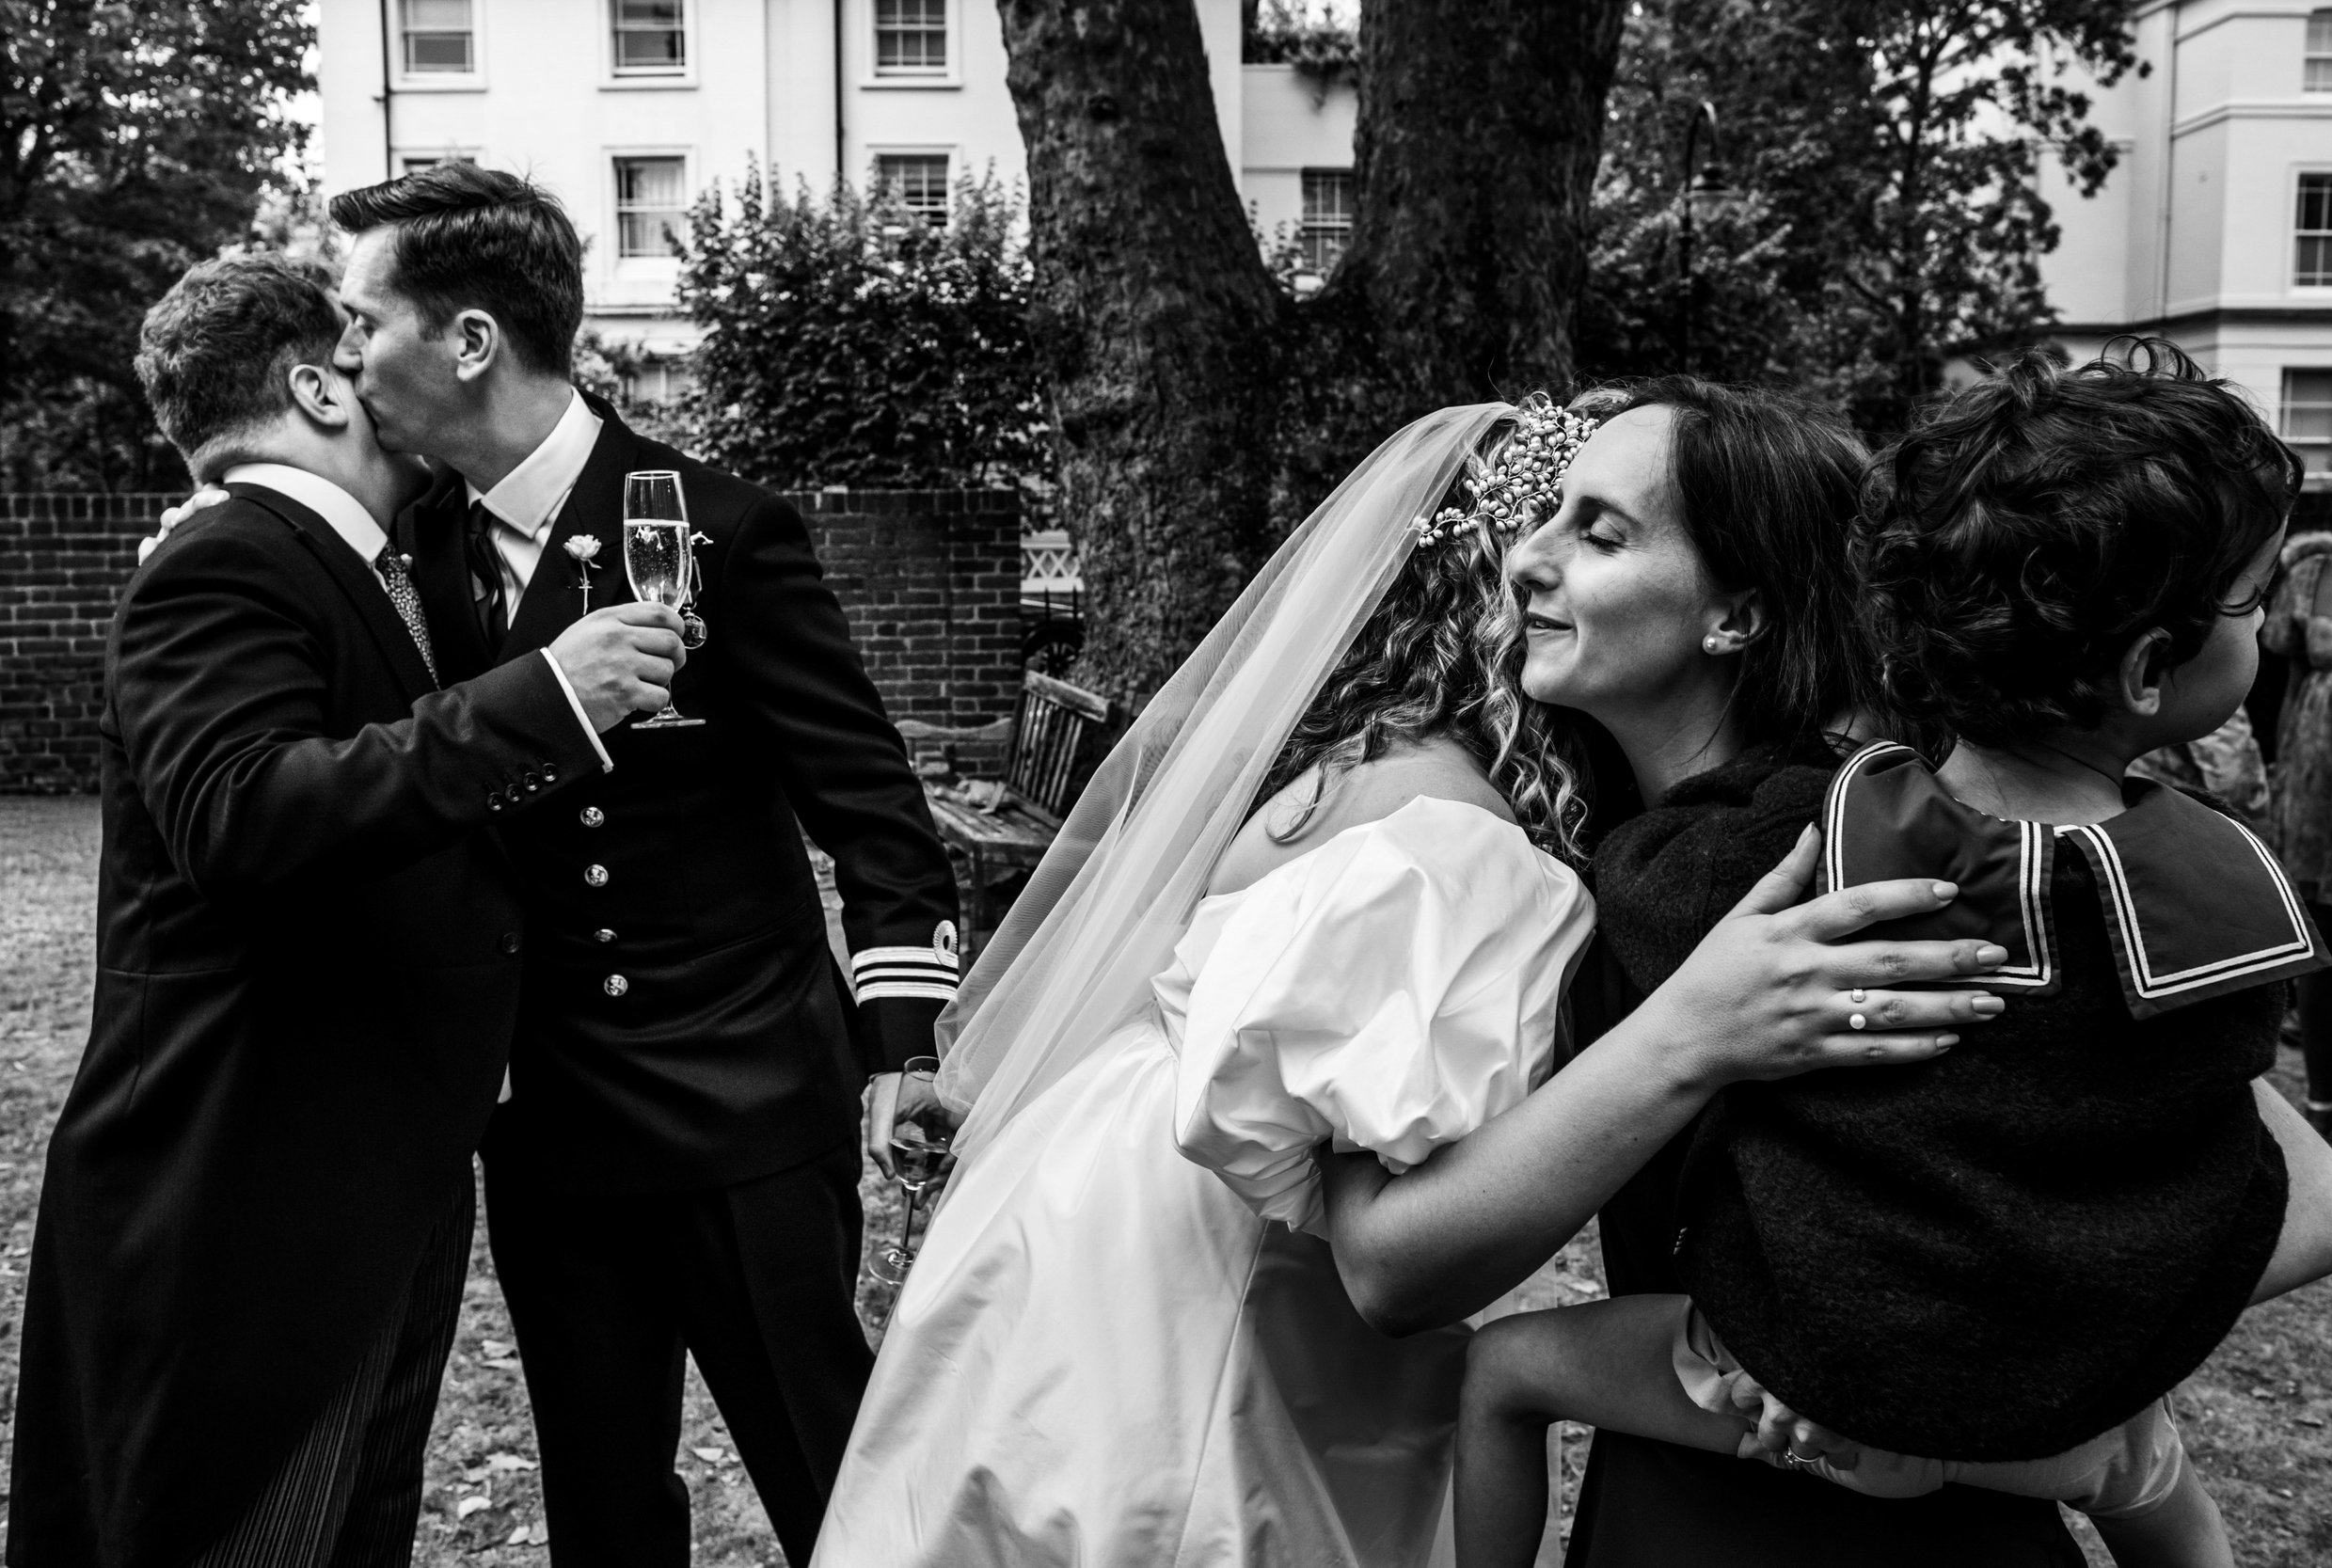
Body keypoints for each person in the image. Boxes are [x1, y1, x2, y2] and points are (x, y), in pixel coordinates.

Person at [813, 395, 2011, 1568]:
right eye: (1537, 522)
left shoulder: (1731, 835)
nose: (1527, 566)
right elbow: (1388, 1260)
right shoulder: (1457, 838)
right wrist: (1688, 1033)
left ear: (1738, 616)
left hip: (1081, 1240)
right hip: (1198, 1322)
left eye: (1596, 531)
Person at [1452, 351, 2332, 1568]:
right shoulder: (2200, 882)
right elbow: (2293, 1188)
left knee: (1505, 1369)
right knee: (2162, 1498)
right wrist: (2043, 1358)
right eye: (2250, 605)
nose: (1529, 557)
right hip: (2016, 1438)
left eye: (1602, 529)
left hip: (1757, 1402)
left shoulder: (1796, 840)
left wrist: (1866, 1350)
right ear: (2147, 670)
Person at [309, 163, 965, 1567]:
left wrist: (901, 1033)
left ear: (468, 338)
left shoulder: (719, 527)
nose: (344, 353)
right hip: (548, 1111)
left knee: (827, 1467)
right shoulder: (406, 550)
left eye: (362, 319)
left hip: (744, 1096)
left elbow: (871, 805)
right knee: (603, 1496)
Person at [8, 255, 683, 1568]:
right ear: (319, 386)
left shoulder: (361, 563)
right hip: (252, 1194)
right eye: (366, 344)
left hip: (368, 1172)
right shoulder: (226, 560)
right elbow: (247, 814)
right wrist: (547, 696)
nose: (397, 370)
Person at [2264, 520, 2332, 1147]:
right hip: (2322, 780)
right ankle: (2321, 1101)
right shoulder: (2313, 574)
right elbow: (2289, 687)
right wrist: (2284, 770)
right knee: (2326, 936)